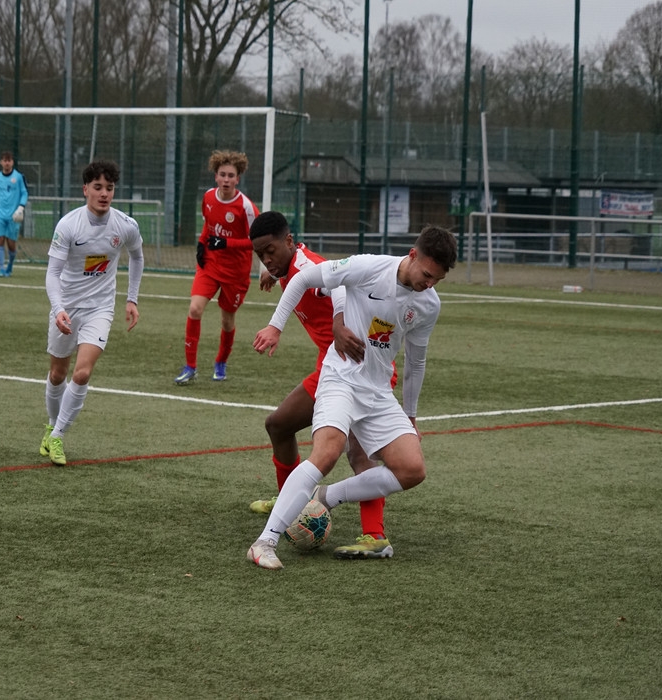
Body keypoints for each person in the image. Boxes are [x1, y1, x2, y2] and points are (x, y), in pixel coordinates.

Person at [247, 225, 457, 569]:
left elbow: (416, 361)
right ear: (413, 255)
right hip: (340, 377)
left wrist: (411, 415)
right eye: (427, 275)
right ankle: (264, 543)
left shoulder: (429, 304)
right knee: (327, 452)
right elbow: (305, 279)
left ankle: (325, 496)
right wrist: (275, 326)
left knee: (412, 469)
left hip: (377, 390)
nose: (430, 283)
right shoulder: (370, 266)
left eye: (437, 279)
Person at [247, 211, 399, 559]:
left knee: (358, 452)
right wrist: (272, 271)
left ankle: (375, 535)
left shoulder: (307, 267)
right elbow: (289, 271)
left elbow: (340, 284)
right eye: (260, 255)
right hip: (331, 367)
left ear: (289, 241)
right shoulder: (288, 265)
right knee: (278, 425)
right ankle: (290, 501)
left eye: (270, 251)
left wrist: (338, 323)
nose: (266, 259)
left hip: (359, 366)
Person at [39, 160, 144, 466]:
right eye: (98, 187)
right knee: (57, 374)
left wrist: (132, 299)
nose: (104, 194)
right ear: (85, 189)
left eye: (109, 188)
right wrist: (58, 309)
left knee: (82, 373)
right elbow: (52, 273)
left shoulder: (125, 225)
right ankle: (51, 425)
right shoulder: (68, 225)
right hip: (67, 308)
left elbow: (137, 257)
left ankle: (58, 436)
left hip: (100, 308)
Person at [174, 150, 258, 385]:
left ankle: (221, 361)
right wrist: (202, 244)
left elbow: (256, 241)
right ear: (216, 176)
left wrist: (227, 243)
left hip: (236, 273)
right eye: (222, 174)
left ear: (238, 179)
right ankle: (190, 367)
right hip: (210, 265)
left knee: (227, 321)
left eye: (231, 175)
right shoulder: (209, 197)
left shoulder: (246, 207)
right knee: (195, 309)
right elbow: (208, 225)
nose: (226, 180)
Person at [0, 151, 29, 278]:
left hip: (13, 215)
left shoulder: (18, 177)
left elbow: (24, 193)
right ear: (1, 162)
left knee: (11, 243)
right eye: (4, 160)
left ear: (12, 162)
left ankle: (10, 266)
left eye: (9, 160)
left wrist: (21, 207)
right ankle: (1, 269)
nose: (7, 163)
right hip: (0, 213)